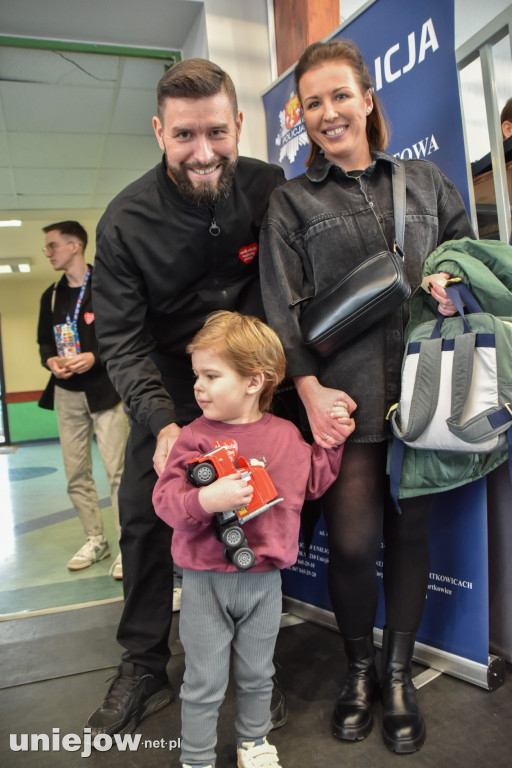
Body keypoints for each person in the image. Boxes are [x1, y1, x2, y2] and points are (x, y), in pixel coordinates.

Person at [259, 40, 475, 755]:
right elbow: (280, 309)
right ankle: (359, 672)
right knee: (352, 544)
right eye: (312, 103)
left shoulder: (427, 181)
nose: (328, 113)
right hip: (342, 401)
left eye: (339, 95)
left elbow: (463, 254)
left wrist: (453, 283)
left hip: (425, 391)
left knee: (410, 534)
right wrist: (311, 393)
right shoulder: (291, 201)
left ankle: (399, 672)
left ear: (368, 97)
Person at [86, 58, 287, 737]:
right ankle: (144, 662)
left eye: (217, 132)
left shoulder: (268, 187)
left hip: (252, 369)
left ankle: (259, 657)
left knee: (269, 502)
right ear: (158, 132)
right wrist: (164, 422)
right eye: (184, 136)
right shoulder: (124, 222)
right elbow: (121, 338)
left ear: (236, 125)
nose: (203, 152)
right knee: (145, 511)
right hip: (169, 378)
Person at [152, 311, 351, 768]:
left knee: (259, 673)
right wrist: (206, 499)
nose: (198, 386)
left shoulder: (285, 436)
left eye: (211, 375)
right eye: (197, 375)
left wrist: (333, 440)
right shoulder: (193, 438)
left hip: (265, 582)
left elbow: (314, 482)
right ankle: (196, 757)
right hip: (204, 583)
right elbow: (166, 501)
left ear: (253, 381)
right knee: (203, 679)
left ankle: (253, 744)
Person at [37, 220, 128, 578]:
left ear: (75, 245)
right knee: (76, 473)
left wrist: (94, 356)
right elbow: (45, 341)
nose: (48, 253)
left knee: (117, 471)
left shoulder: (105, 288)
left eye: (53, 246)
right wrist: (51, 361)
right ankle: (95, 539)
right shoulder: (52, 295)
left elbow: (122, 334)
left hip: (105, 391)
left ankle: (126, 545)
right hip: (67, 394)